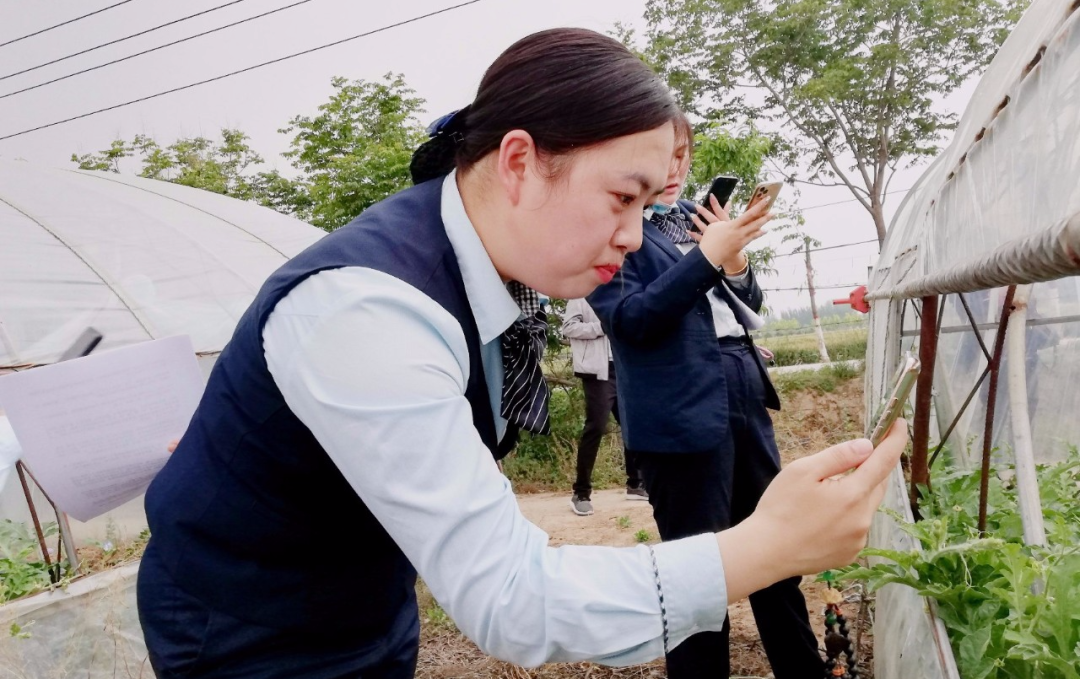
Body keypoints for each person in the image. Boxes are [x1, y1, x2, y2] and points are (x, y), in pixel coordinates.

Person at [137, 28, 907, 679]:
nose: (638, 235)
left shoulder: (489, 267)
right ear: (518, 162)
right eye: (622, 197)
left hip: (360, 588)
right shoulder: (368, 306)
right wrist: (766, 546)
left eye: (650, 205)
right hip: (248, 625)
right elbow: (511, 597)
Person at [588, 116, 824, 678]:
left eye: (682, 155)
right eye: (659, 155)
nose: (672, 170)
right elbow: (633, 320)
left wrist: (735, 262)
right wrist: (706, 258)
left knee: (777, 552)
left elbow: (747, 302)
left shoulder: (697, 218)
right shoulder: (606, 229)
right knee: (696, 573)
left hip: (741, 387)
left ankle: (805, 670)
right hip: (677, 410)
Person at [561, 298, 646, 516]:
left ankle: (636, 484)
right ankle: (581, 493)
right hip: (597, 372)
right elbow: (568, 327)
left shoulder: (621, 291)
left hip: (624, 367)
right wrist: (601, 327)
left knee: (631, 425)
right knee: (596, 427)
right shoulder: (580, 294)